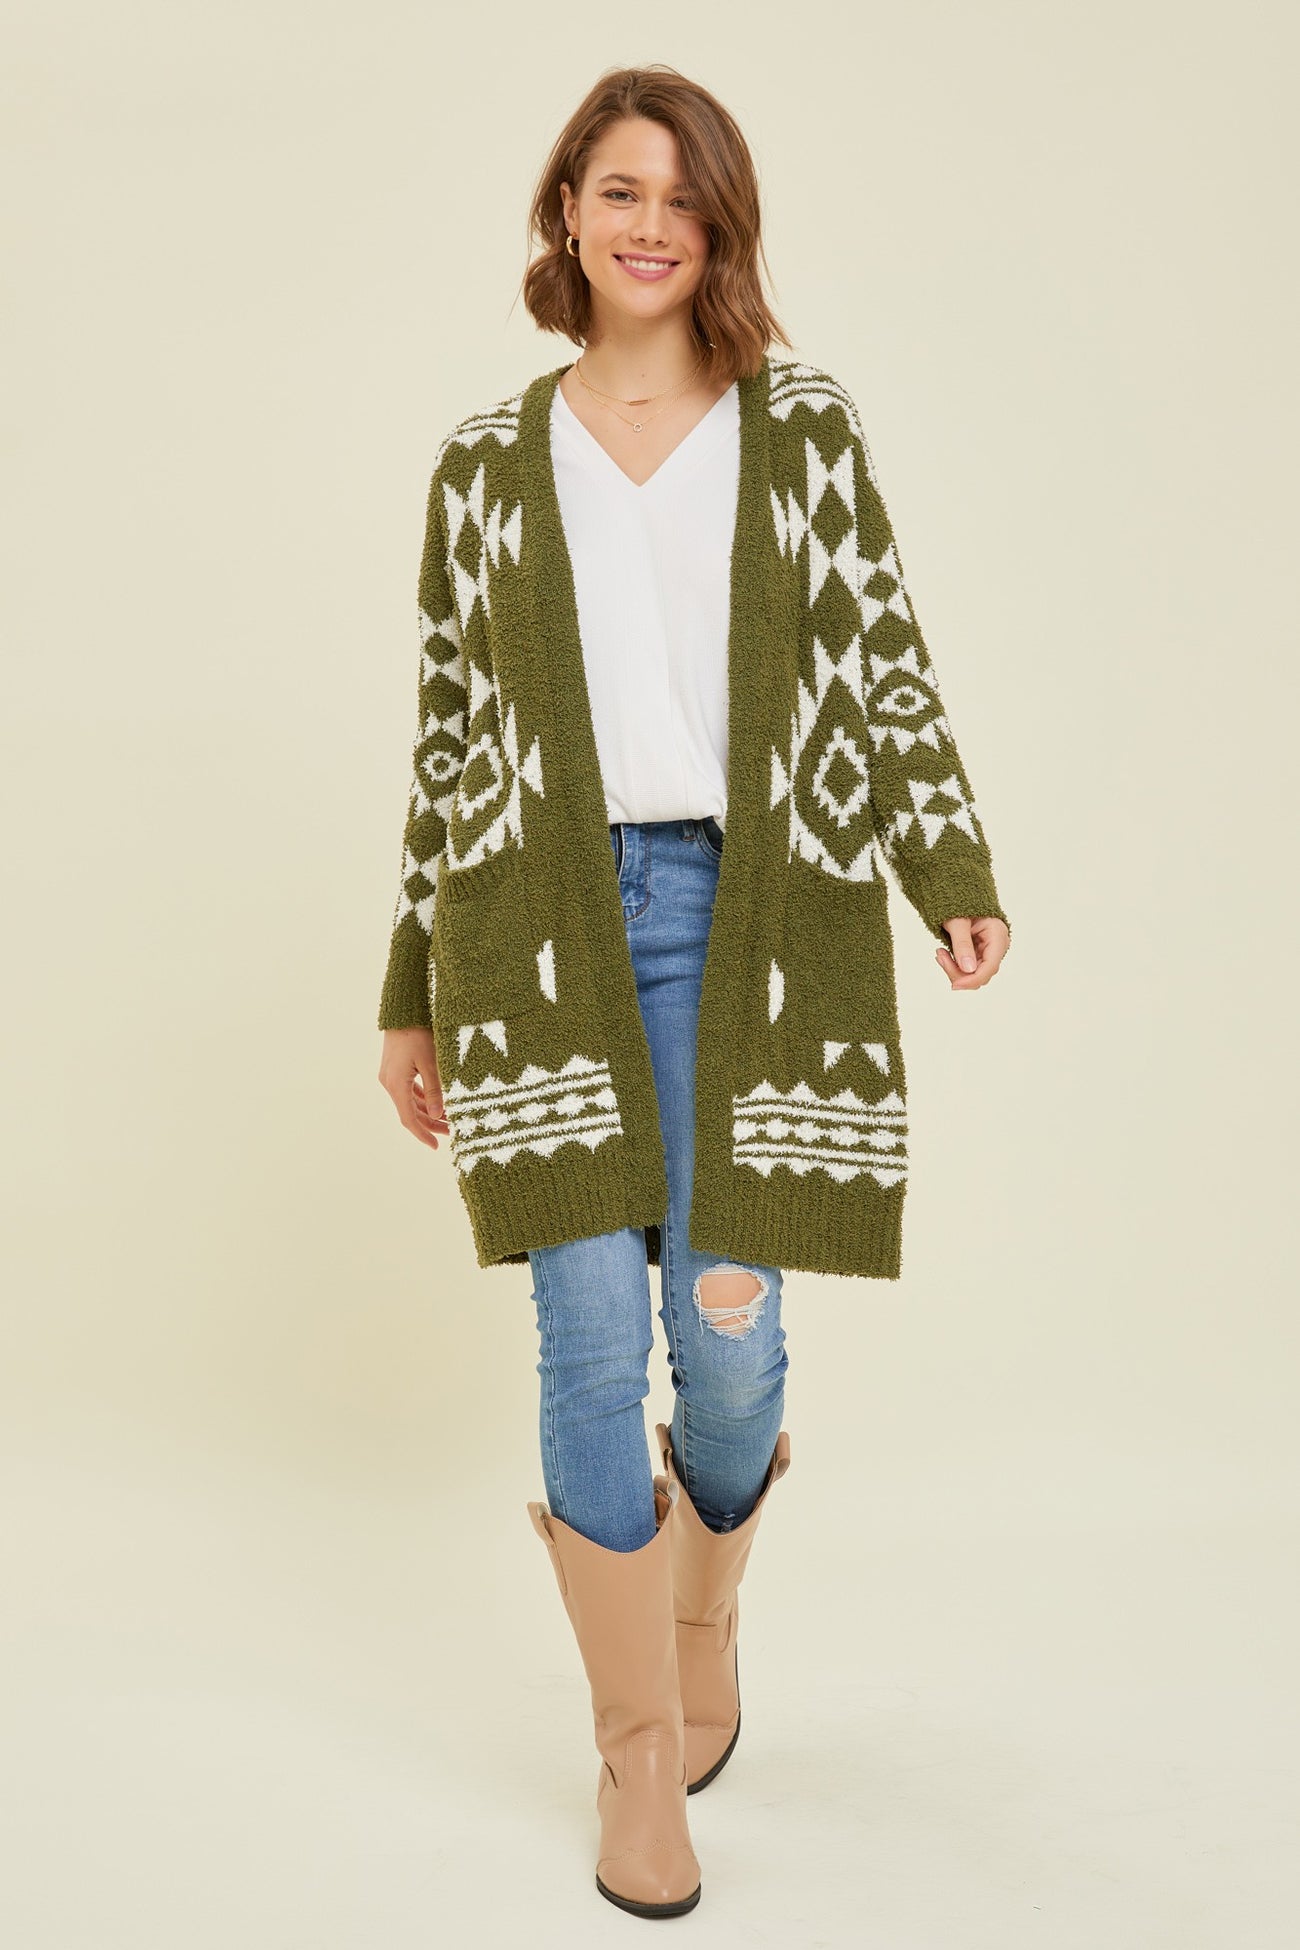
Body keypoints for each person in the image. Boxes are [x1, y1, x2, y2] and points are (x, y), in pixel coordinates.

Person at [377, 64, 1010, 1924]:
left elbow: (882, 652)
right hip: (535, 929)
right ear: (567, 212)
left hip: (757, 920)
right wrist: (412, 986)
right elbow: (450, 735)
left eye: (685, 196)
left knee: (726, 1343)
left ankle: (703, 1603)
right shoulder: (486, 467)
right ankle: (638, 1749)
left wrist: (949, 864)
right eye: (619, 189)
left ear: (719, 225)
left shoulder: (798, 427)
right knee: (585, 1339)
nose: (649, 223)